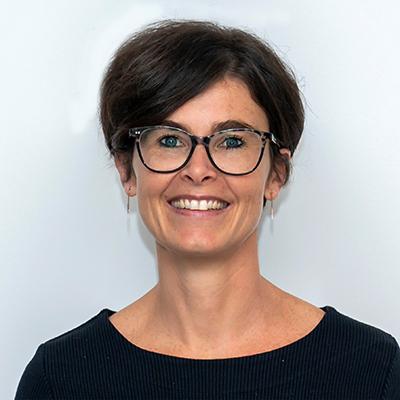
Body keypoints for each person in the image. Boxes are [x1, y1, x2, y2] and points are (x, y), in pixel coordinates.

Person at [15, 19, 400, 399]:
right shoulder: (60, 379)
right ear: (126, 171)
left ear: (276, 174)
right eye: (169, 140)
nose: (198, 170)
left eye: (232, 141)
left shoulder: (372, 370)